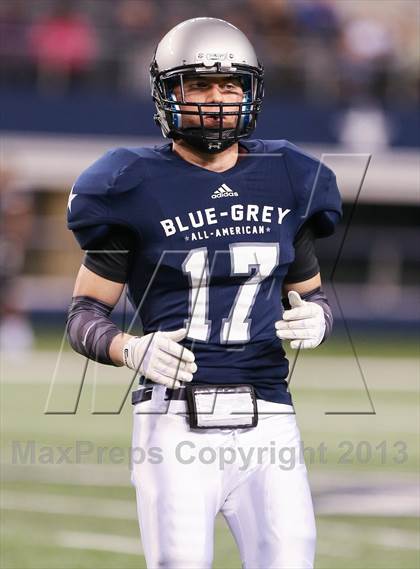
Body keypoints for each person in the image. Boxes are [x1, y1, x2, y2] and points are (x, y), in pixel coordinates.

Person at [67, 17, 342, 569]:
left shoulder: (287, 174)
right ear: (167, 94)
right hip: (173, 419)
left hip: (270, 415)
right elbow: (84, 312)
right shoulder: (130, 182)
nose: (218, 98)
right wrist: (130, 348)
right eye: (199, 85)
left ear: (251, 91)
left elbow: (312, 296)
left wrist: (319, 319)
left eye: (231, 84)